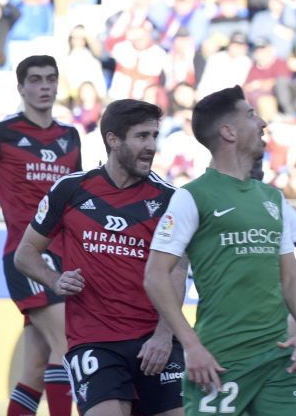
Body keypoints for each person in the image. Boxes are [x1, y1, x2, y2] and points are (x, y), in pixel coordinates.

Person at [144, 85, 296, 415]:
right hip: (220, 360)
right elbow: (155, 276)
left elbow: (290, 277)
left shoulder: (273, 199)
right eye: (251, 115)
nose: (262, 123)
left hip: (278, 358)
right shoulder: (192, 196)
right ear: (228, 132)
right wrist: (191, 345)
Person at [14, 99, 185, 416]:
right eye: (142, 136)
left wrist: (164, 335)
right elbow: (25, 253)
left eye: (154, 136)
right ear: (113, 140)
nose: (151, 146)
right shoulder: (71, 189)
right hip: (94, 342)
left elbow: (177, 272)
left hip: (154, 341)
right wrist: (55, 280)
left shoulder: (170, 199)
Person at [0, 55, 81, 416]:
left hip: (66, 257)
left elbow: (77, 200)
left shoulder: (70, 137)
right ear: (21, 88)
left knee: (34, 369)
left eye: (51, 79)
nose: (44, 86)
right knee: (68, 344)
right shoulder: (1, 132)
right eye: (35, 80)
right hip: (28, 256)